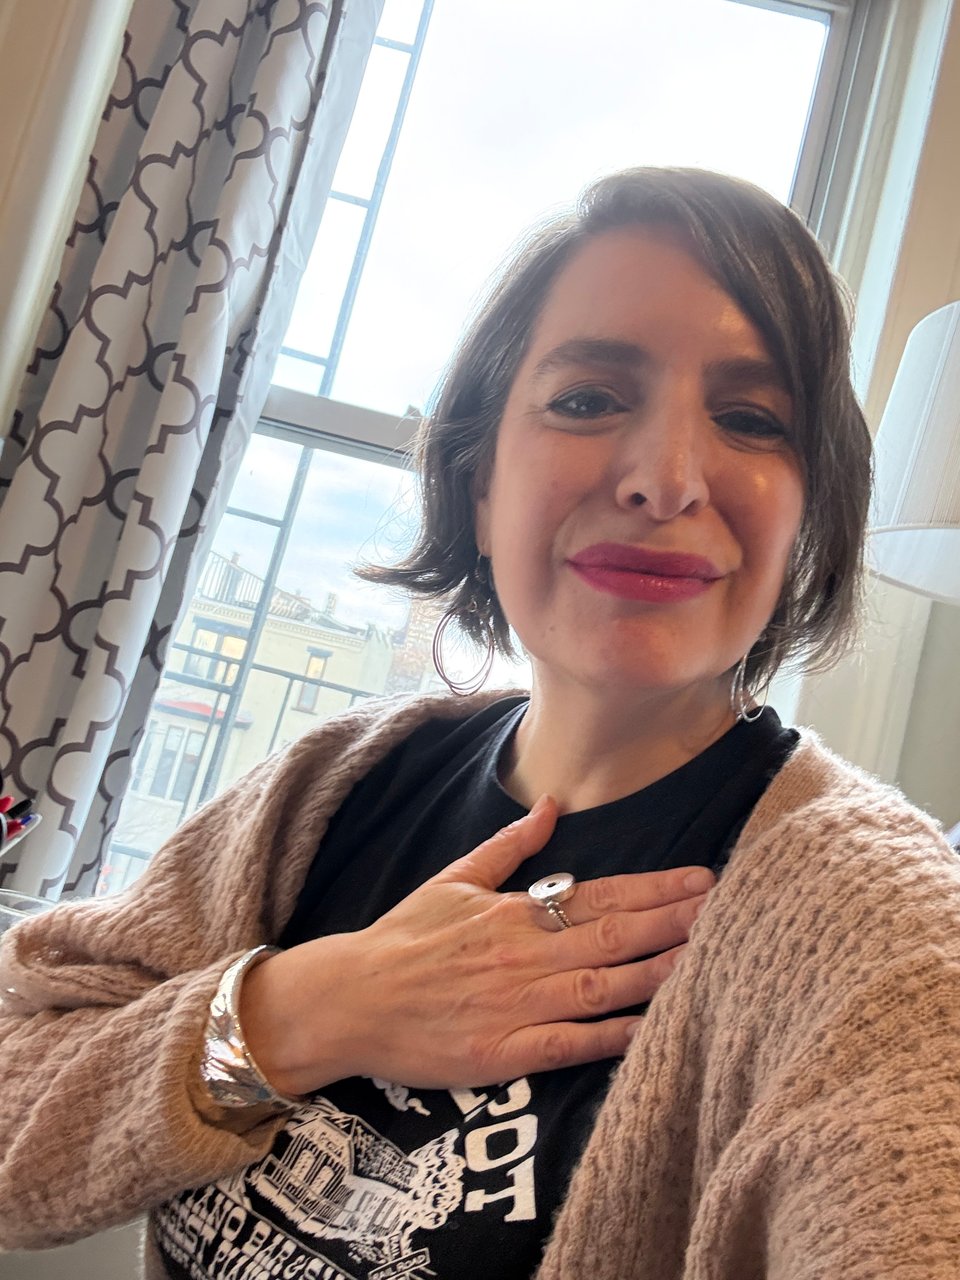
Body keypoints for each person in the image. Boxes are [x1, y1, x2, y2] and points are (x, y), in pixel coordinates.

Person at [1, 168, 958, 1280]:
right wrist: (303, 1008)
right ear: (479, 480)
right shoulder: (329, 784)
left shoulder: (884, 936)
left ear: (810, 516)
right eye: (590, 398)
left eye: (751, 419)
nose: (667, 478)